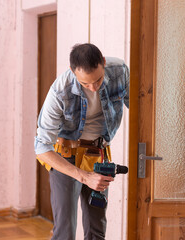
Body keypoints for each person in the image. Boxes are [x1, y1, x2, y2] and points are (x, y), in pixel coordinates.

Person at [34, 43, 129, 240]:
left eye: (98, 80)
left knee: (97, 226)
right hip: (65, 156)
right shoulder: (60, 91)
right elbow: (42, 147)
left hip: (99, 154)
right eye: (85, 84)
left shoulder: (120, 71)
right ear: (72, 71)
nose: (93, 88)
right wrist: (84, 177)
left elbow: (142, 106)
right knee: (65, 230)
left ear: (103, 63)